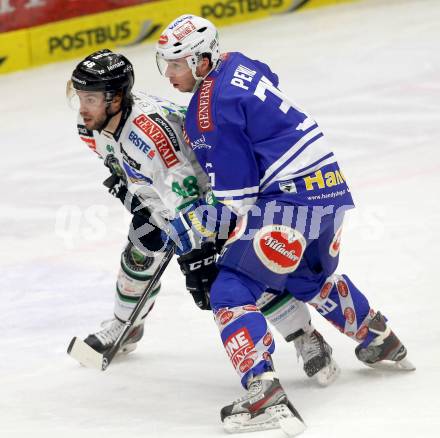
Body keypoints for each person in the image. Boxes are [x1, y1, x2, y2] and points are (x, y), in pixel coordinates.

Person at [155, 14, 415, 434]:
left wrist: (193, 226)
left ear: (203, 60)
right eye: (165, 63)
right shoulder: (237, 62)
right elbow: (268, 77)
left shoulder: (207, 113)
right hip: (329, 186)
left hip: (290, 200)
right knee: (305, 278)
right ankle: (380, 337)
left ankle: (263, 393)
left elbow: (236, 201)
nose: (169, 73)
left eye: (177, 63)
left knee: (231, 288)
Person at [67, 49, 340, 388]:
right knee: (138, 256)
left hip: (213, 197)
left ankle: (305, 336)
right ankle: (125, 326)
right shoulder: (90, 124)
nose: (82, 107)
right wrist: (129, 190)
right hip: (163, 199)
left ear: (116, 98)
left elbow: (189, 192)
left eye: (90, 98)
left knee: (235, 272)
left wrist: (196, 255)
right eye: (80, 97)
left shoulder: (151, 139)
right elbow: (120, 162)